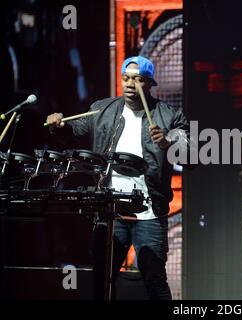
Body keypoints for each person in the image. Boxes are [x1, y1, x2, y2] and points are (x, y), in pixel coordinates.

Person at [46, 56, 189, 300]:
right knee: (102, 278)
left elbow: (190, 154)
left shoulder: (169, 116)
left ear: (149, 83)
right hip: (110, 211)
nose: (130, 84)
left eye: (138, 79)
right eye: (126, 78)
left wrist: (167, 143)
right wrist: (58, 126)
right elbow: (74, 133)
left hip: (149, 213)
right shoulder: (102, 110)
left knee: (155, 280)